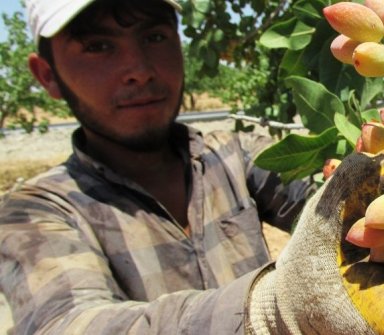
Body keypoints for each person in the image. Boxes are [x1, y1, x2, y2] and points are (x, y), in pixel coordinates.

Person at [0, 0, 316, 333]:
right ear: (47, 75)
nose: (139, 70)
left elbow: (328, 190)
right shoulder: (34, 213)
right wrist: (267, 306)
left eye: (154, 37)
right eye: (98, 46)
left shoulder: (232, 155)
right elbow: (68, 323)